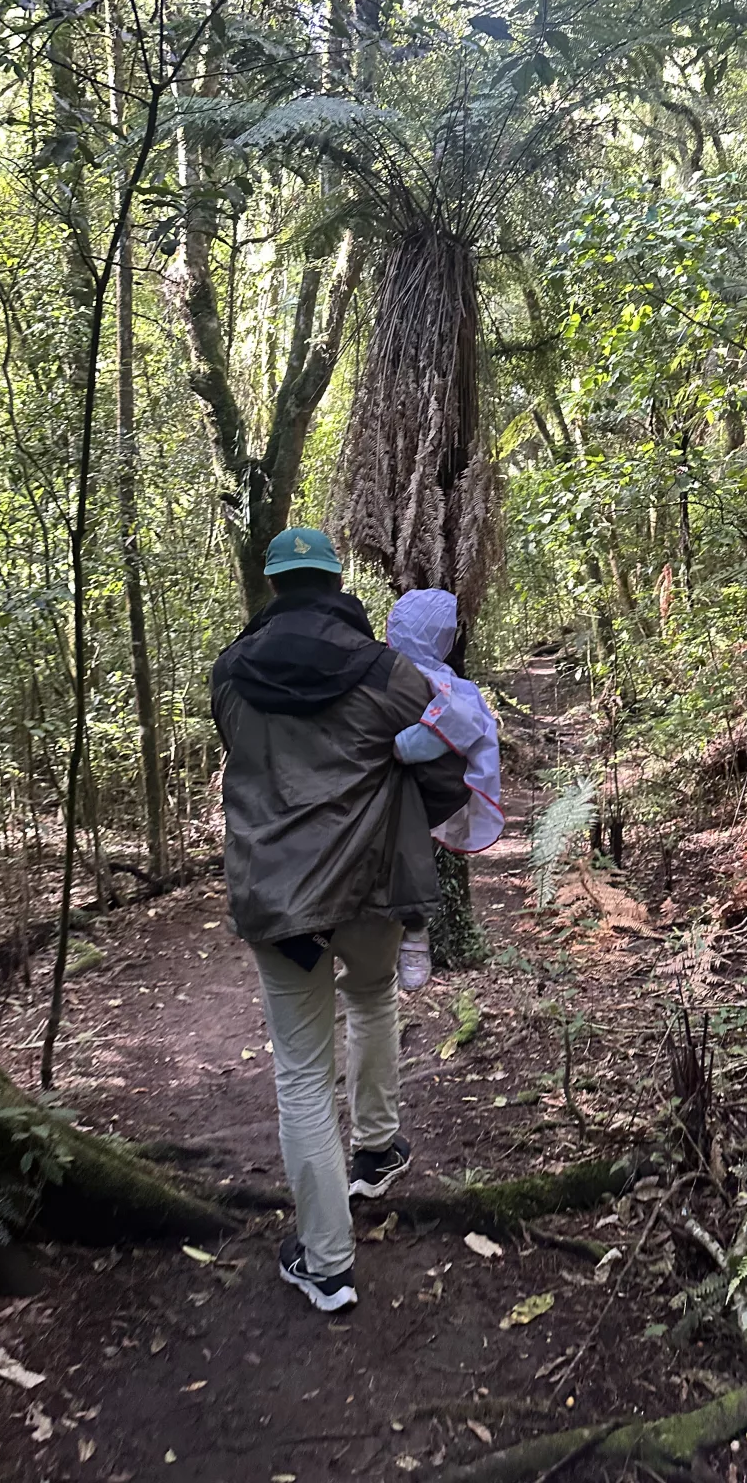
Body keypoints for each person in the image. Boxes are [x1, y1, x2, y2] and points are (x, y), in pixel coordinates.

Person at [211, 528, 470, 1312]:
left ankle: (326, 1262)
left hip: (278, 901)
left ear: (273, 587)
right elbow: (448, 765)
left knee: (299, 1071)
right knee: (372, 997)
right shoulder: (388, 671)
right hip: (372, 885)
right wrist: (399, 810)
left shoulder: (229, 672)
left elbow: (246, 759)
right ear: (334, 582)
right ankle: (378, 1147)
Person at [386, 588, 505, 991]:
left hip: (430, 783)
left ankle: (416, 932)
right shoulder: (398, 675)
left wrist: (404, 747)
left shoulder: (446, 684)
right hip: (404, 789)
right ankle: (410, 932)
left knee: (412, 846)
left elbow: (459, 723)